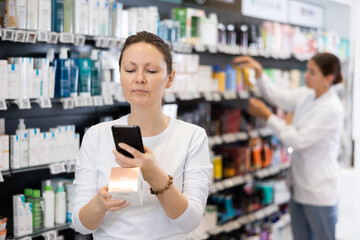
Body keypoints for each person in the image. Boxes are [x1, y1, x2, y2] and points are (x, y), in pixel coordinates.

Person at [72, 31, 213, 240]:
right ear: (120, 75)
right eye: (130, 70)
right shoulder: (96, 136)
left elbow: (190, 221)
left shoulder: (192, 136)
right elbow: (81, 225)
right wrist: (99, 204)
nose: (139, 79)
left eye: (152, 70)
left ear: (170, 78)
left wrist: (154, 173)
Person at [233, 53, 344, 240]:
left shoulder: (331, 108)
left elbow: (298, 140)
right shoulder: (307, 95)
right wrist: (259, 73)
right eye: (307, 70)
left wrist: (268, 116)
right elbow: (277, 96)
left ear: (329, 79)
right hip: (298, 186)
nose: (306, 75)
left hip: (319, 192)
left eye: (312, 72)